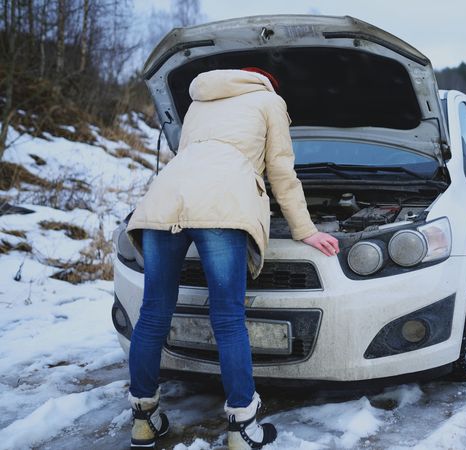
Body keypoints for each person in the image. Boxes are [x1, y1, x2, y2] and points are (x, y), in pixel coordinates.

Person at [123, 68, 339, 449]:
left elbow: (188, 158)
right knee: (226, 316)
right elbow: (281, 171)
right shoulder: (270, 101)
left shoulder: (198, 104)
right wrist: (306, 230)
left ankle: (143, 419)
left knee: (153, 313)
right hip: (222, 206)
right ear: (269, 83)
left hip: (162, 201)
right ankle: (241, 427)